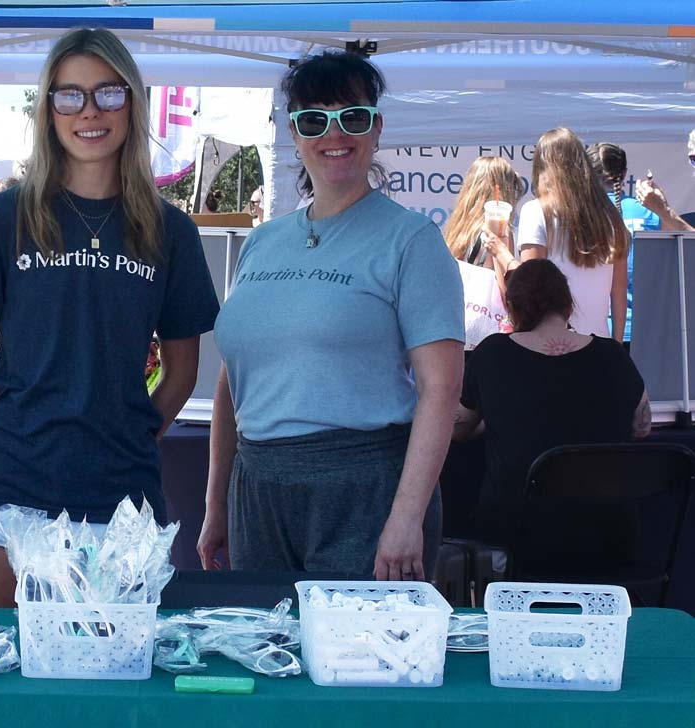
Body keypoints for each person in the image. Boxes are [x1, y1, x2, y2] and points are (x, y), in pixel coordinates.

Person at [0, 28, 220, 606]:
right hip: (12, 489)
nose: (90, 112)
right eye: (70, 96)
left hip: (123, 497)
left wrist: (133, 432)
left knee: (117, 675)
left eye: (109, 94)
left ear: (133, 102)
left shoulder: (171, 231)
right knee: (3, 669)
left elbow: (181, 370)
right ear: (49, 109)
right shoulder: (4, 217)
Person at [198, 50, 464, 580]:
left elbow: (441, 390)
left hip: (364, 490)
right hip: (259, 489)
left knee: (359, 658)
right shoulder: (264, 242)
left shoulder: (411, 241)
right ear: (294, 135)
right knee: (271, 654)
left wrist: (407, 517)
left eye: (353, 117)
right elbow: (234, 379)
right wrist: (216, 504)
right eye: (314, 119)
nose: (334, 134)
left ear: (376, 128)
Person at [453, 259, 651, 546]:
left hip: (518, 533)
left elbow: (457, 430)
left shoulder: (493, 354)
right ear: (568, 305)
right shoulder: (613, 355)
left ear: (513, 308)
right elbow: (642, 427)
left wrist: (496, 418)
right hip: (606, 533)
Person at [515, 128, 630, 340]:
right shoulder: (611, 217)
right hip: (597, 345)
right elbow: (619, 291)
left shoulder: (536, 211)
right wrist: (617, 344)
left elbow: (529, 287)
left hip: (551, 346)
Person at [442, 157, 526, 348]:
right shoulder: (499, 232)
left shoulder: (458, 227)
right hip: (483, 335)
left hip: (454, 325)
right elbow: (508, 291)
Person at [588, 143, 659, 347]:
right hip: (643, 326)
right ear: (624, 173)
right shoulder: (648, 212)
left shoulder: (582, 216)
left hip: (592, 329)